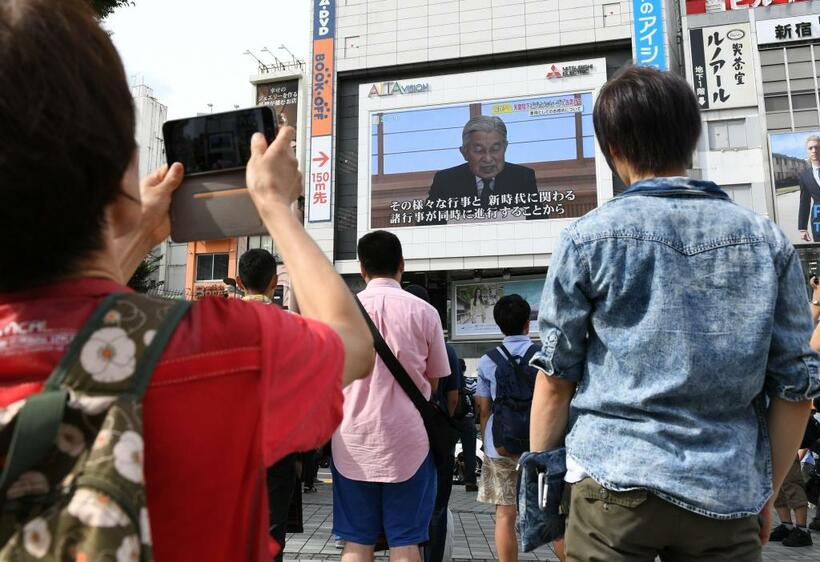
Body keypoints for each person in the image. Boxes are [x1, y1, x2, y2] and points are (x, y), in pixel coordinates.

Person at [0, 1, 375, 560]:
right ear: (125, 175)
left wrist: (129, 235)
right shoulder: (226, 345)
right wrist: (275, 206)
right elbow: (351, 345)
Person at [529, 65, 820, 561]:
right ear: (692, 139)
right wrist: (764, 492)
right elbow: (796, 388)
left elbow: (556, 380)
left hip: (612, 486)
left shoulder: (587, 239)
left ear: (612, 149)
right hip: (725, 491)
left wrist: (545, 500)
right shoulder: (767, 241)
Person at [332, 231, 450, 562]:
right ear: (402, 265)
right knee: (406, 541)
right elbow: (435, 380)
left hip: (351, 441)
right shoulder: (425, 312)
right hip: (409, 441)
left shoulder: (340, 314)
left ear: (361, 269)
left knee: (355, 543)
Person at [475, 295, 564, 562]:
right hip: (542, 442)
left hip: (501, 445)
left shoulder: (487, 360)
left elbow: (483, 408)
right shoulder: (542, 355)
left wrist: (484, 438)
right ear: (528, 323)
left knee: (505, 513)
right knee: (555, 512)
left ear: (499, 325)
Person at [405, 284, 461, 562]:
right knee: (438, 506)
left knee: (406, 506)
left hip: (403, 431)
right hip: (435, 432)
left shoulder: (393, 342)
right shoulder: (446, 350)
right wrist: (443, 420)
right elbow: (452, 396)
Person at [424, 116, 539, 224]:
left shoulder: (523, 178)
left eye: (495, 149)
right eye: (479, 150)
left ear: (505, 148)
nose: (488, 159)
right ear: (464, 152)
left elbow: (539, 224)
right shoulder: (445, 181)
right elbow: (427, 228)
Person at [796, 135, 820, 242]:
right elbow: (804, 202)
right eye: (810, 148)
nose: (814, 150)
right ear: (807, 151)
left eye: (817, 147)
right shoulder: (804, 176)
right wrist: (802, 228)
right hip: (818, 222)